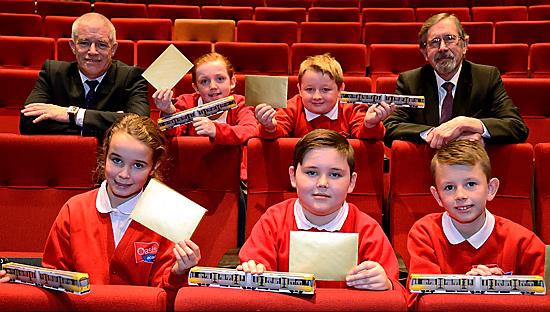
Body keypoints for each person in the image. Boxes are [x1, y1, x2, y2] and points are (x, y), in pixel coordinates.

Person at [41, 114, 200, 298]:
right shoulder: (74, 209)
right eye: (116, 160)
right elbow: (53, 283)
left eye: (138, 165)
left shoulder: (167, 218)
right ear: (105, 155)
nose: (124, 174)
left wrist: (179, 273)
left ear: (154, 167)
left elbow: (166, 300)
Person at [238, 129, 400, 290]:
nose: (323, 183)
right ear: (293, 176)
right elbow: (255, 281)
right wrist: (252, 274)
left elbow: (397, 293)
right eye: (312, 172)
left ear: (351, 181)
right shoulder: (272, 222)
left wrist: (386, 284)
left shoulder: (367, 230)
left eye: (335, 175)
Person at [407, 140, 545, 290]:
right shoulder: (425, 233)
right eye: (449, 187)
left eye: (471, 184)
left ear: (491, 189)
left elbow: (543, 299)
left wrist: (500, 289)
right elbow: (420, 298)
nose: (460, 195)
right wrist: (468, 288)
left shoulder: (524, 242)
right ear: (437, 196)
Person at [383, 13, 529, 148]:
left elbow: (517, 127)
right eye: (434, 42)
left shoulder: (486, 77)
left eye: (449, 39)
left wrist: (466, 123)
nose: (442, 48)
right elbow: (390, 126)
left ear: (464, 45)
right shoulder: (411, 81)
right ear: (425, 53)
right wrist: (434, 133)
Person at [20, 13, 149, 137]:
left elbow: (140, 124)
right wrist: (106, 124)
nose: (92, 51)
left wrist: (71, 115)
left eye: (102, 45)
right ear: (72, 46)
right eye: (84, 43)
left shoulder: (131, 77)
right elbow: (28, 122)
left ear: (113, 49)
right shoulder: (52, 73)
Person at [255, 53, 394, 139]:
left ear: (340, 90)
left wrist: (370, 124)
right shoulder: (292, 107)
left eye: (325, 89)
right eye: (309, 89)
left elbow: (367, 138)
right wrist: (269, 127)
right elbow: (276, 133)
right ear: (299, 89)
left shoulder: (352, 108)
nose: (317, 96)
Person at [153, 52, 258, 144]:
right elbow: (170, 134)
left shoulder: (240, 103)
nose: (213, 86)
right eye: (204, 81)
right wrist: (168, 112)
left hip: (230, 165)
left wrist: (216, 130)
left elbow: (250, 130)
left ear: (232, 82)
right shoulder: (185, 103)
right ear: (196, 88)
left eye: (220, 79)